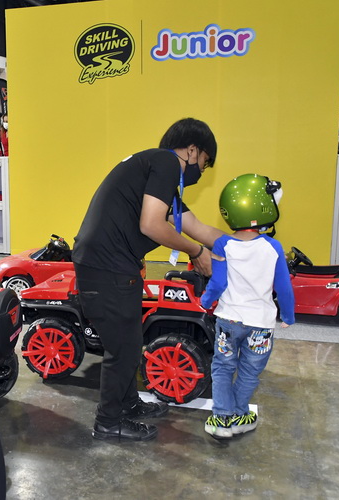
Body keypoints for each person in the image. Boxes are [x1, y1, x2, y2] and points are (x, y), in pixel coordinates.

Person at [72, 117, 225, 442]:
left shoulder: (155, 172)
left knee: (128, 343)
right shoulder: (167, 163)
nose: (202, 170)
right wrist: (197, 252)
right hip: (106, 267)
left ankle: (128, 404)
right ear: (192, 150)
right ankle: (108, 422)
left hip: (111, 265)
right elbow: (152, 225)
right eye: (205, 162)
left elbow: (198, 227)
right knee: (123, 349)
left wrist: (245, 246)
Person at [200, 174, 295, 439]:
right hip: (261, 324)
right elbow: (284, 288)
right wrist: (288, 316)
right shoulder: (273, 247)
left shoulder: (223, 244)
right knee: (250, 371)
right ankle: (240, 415)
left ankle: (221, 419)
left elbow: (218, 283)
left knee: (223, 367)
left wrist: (205, 301)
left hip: (229, 320)